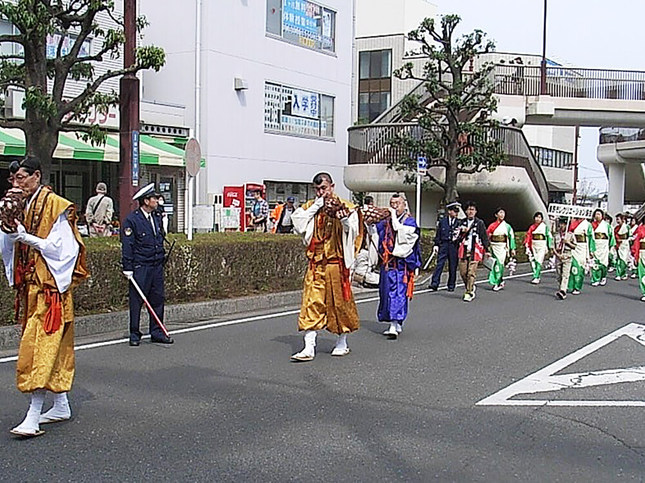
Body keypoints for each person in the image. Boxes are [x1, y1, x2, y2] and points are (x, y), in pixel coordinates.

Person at [0, 156, 88, 437]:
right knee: (55, 350)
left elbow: (64, 250)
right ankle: (61, 404)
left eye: (22, 177)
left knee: (38, 349)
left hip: (50, 291)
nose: (17, 183)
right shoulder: (20, 205)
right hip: (32, 290)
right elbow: (10, 245)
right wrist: (9, 232)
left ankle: (34, 414)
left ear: (37, 176)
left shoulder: (56, 206)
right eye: (13, 179)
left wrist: (26, 238)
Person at [289, 172, 363, 361]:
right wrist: (316, 205)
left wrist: (343, 218)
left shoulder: (347, 206)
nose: (321, 192)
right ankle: (309, 346)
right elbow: (298, 223)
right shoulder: (311, 206)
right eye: (317, 189)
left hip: (336, 264)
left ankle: (342, 341)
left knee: (339, 304)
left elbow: (353, 231)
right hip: (316, 265)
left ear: (332, 186)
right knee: (311, 302)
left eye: (324, 188)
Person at [121, 183, 173, 346]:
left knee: (157, 299)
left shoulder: (157, 217)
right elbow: (128, 245)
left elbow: (159, 237)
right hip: (140, 266)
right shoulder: (132, 220)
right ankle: (135, 333)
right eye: (154, 198)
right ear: (145, 201)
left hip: (156, 265)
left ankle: (157, 331)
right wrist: (127, 267)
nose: (157, 201)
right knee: (137, 301)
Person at [377, 194, 421, 339]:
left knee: (398, 293)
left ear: (404, 205)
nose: (394, 206)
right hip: (387, 263)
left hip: (401, 266)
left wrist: (394, 219)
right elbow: (377, 232)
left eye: (397, 203)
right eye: (392, 203)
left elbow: (402, 234)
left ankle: (394, 324)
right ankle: (394, 321)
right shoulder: (386, 221)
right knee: (385, 293)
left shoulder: (409, 222)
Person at [455, 201, 490, 302]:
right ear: (465, 211)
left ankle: (469, 292)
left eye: (472, 210)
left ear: (475, 211)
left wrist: (487, 249)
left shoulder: (479, 223)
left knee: (471, 272)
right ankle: (469, 286)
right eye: (469, 209)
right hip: (463, 250)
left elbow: (484, 236)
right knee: (463, 272)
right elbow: (455, 236)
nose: (470, 212)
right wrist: (461, 232)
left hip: (475, 251)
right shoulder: (461, 222)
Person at [428, 202, 460, 292]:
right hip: (444, 244)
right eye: (454, 211)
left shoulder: (459, 222)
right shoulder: (443, 222)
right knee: (440, 264)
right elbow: (438, 234)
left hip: (454, 245)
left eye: (456, 211)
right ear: (449, 211)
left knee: (453, 266)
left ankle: (451, 284)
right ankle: (435, 283)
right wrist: (436, 244)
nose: (456, 213)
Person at [353, 195, 380, 287]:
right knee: (363, 266)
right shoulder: (369, 212)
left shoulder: (357, 211)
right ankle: (363, 279)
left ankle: (362, 279)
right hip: (363, 247)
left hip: (359, 245)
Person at [486, 207, 516, 291]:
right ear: (496, 215)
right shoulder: (492, 226)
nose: (502, 214)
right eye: (500, 213)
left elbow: (511, 237)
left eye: (503, 212)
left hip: (502, 247)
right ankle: (499, 280)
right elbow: (487, 235)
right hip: (494, 246)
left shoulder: (507, 226)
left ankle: (498, 282)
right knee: (495, 265)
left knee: (500, 264)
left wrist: (512, 248)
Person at [567, 216, 595, 295]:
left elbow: (591, 238)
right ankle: (571, 285)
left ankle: (577, 286)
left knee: (580, 266)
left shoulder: (587, 224)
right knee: (572, 265)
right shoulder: (573, 223)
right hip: (573, 245)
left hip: (582, 247)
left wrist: (591, 250)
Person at [524, 211, 553, 284]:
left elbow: (549, 236)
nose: (537, 219)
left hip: (542, 245)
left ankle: (536, 276)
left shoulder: (544, 227)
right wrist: (527, 245)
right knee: (533, 260)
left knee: (539, 260)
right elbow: (528, 236)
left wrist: (549, 246)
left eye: (539, 217)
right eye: (536, 217)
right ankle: (536, 274)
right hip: (534, 244)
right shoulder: (532, 227)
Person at [590, 208, 615, 287]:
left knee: (604, 263)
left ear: (602, 216)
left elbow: (611, 236)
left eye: (599, 214)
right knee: (595, 263)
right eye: (596, 214)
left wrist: (611, 246)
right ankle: (595, 279)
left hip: (604, 246)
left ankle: (603, 277)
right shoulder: (591, 225)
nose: (597, 216)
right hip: (595, 245)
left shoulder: (607, 226)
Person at [553, 217, 576, 299]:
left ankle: (563, 291)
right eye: (561, 224)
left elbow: (574, 246)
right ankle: (561, 287)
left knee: (565, 275)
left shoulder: (570, 235)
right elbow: (553, 247)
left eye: (564, 224)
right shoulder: (556, 235)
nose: (562, 226)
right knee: (559, 274)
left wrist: (568, 242)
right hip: (558, 256)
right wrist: (557, 254)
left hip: (567, 255)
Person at [631, 217, 645, 301]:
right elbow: (636, 242)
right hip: (643, 253)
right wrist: (635, 254)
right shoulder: (640, 229)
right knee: (643, 274)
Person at [614, 213, 630, 281]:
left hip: (625, 243)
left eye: (618, 219)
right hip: (618, 244)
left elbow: (630, 236)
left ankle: (623, 273)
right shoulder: (616, 228)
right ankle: (618, 274)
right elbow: (614, 235)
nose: (617, 221)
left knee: (624, 259)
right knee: (619, 259)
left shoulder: (627, 227)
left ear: (622, 219)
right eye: (616, 219)